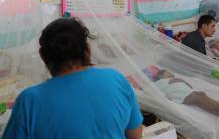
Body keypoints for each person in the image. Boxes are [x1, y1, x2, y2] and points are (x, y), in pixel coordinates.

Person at [3, 18, 143, 139]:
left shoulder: (30, 101)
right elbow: (135, 136)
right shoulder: (116, 79)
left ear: (42, 55)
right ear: (88, 49)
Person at [144, 65, 219, 116]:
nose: (171, 74)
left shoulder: (173, 79)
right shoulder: (156, 84)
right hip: (182, 95)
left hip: (184, 94)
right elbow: (155, 94)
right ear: (160, 75)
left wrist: (182, 81)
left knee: (199, 101)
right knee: (200, 96)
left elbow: (190, 88)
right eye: (168, 73)